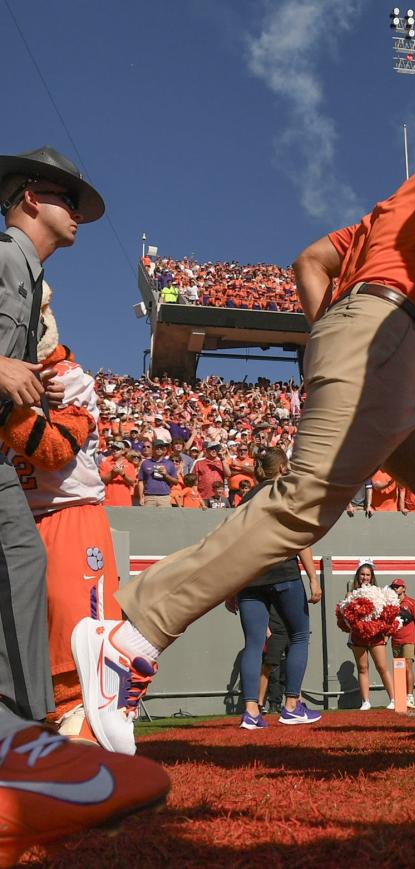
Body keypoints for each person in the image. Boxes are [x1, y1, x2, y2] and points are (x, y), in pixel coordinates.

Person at [75, 112, 415, 754]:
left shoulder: (388, 214)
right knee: (303, 503)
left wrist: (330, 322)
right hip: (386, 337)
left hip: (397, 354)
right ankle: (131, 635)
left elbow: (309, 261)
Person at [0, 145, 168, 855]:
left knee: (20, 564)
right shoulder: (10, 255)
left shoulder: (24, 271)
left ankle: (20, 737)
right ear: (32, 199)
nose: (79, 216)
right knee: (21, 566)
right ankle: (20, 740)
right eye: (69, 201)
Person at [1, 292, 120, 742]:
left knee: (80, 632)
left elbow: (55, 451)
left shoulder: (69, 378)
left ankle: (87, 725)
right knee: (22, 638)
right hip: (15, 515)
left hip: (69, 514)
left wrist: (6, 407)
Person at [225, 448, 322, 729]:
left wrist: (232, 586)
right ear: (281, 468)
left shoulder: (245, 499)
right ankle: (292, 705)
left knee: (253, 644)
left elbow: (233, 544)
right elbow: (299, 537)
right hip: (283, 573)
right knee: (300, 635)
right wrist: (313, 578)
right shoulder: (286, 493)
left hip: (250, 579)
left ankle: (251, 712)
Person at [343, 562, 397, 710]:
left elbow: (387, 613)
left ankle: (393, 699)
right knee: (362, 667)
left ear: (372, 577)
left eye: (367, 575)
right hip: (358, 636)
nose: (365, 577)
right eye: (362, 574)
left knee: (382, 666)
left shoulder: (379, 593)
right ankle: (365, 701)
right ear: (357, 576)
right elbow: (346, 617)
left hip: (376, 635)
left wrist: (385, 632)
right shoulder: (350, 594)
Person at [390, 579, 415, 708]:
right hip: (396, 640)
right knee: (398, 669)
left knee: (408, 666)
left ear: (404, 588)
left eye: (398, 586)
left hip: (409, 640)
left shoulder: (412, 603)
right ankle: (401, 699)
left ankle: (410, 696)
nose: (395, 588)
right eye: (394, 586)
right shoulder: (391, 604)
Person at [138, 439, 180, 507]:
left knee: (165, 517)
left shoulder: (169, 463)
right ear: (153, 449)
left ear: (164, 449)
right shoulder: (145, 463)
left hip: (165, 497)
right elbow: (141, 481)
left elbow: (176, 481)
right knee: (147, 517)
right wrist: (141, 497)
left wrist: (166, 475)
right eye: (157, 447)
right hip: (149, 497)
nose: (159, 449)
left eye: (161, 448)